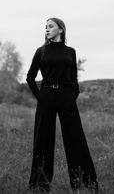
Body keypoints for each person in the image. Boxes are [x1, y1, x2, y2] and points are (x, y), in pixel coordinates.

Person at [26, 17, 98, 193]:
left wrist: (74, 94)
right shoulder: (41, 51)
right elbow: (30, 76)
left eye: (50, 26)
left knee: (76, 138)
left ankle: (84, 182)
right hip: (47, 96)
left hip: (66, 96)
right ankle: (40, 185)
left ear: (61, 29)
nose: (47, 29)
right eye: (45, 27)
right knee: (42, 139)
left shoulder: (70, 51)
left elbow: (74, 77)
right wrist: (40, 96)